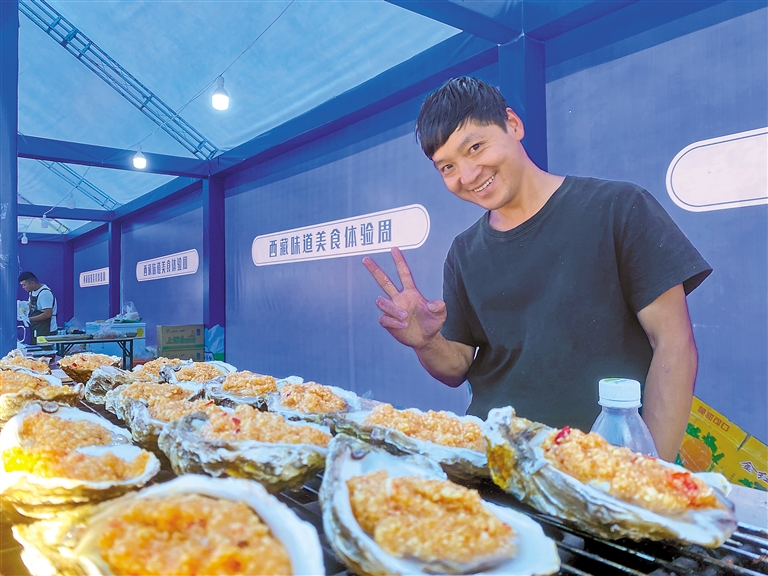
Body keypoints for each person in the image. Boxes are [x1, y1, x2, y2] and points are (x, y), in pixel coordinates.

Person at [362, 77, 711, 461]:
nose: (468, 174)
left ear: (512, 124)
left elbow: (674, 343)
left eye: (475, 147)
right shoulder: (463, 251)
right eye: (447, 167)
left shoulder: (619, 208)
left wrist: (649, 472)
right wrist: (427, 342)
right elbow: (456, 366)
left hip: (595, 465)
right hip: (492, 461)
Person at [18, 271, 58, 338]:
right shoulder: (32, 292)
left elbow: (48, 314)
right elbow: (30, 306)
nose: (23, 287)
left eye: (24, 285)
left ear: (32, 283)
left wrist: (28, 319)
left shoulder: (45, 294)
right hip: (37, 328)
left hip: (47, 330)